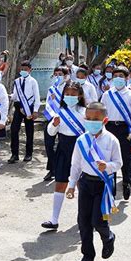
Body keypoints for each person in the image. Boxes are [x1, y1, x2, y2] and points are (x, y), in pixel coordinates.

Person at [66, 102, 122, 261]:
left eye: (95, 119)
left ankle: (108, 237)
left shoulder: (112, 140)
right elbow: (75, 165)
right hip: (85, 183)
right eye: (88, 119)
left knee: (98, 220)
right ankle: (87, 255)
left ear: (104, 120)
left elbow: (118, 163)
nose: (91, 122)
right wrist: (71, 185)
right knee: (83, 221)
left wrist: (108, 166)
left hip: (103, 184)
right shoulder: (81, 140)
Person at [42, 82, 86, 230]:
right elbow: (50, 133)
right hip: (63, 149)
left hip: (80, 151)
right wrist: (54, 124)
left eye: (73, 94)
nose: (70, 97)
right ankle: (54, 220)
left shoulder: (85, 112)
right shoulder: (60, 112)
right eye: (67, 94)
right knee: (60, 182)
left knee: (81, 184)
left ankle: (83, 217)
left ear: (80, 96)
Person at [101, 67, 131, 200]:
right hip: (110, 128)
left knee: (125, 158)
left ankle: (126, 182)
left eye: (121, 76)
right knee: (110, 158)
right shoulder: (107, 94)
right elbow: (102, 114)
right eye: (115, 75)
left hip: (124, 130)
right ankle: (111, 186)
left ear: (126, 78)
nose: (118, 78)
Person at [9, 60, 41, 163]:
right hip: (18, 107)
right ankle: (14, 154)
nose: (23, 71)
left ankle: (28, 154)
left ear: (30, 70)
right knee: (14, 130)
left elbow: (37, 97)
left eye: (25, 69)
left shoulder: (33, 81)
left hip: (29, 108)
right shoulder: (17, 81)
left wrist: (35, 110)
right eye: (22, 69)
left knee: (29, 131)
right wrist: (9, 96)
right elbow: (15, 96)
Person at [43, 67, 69, 181]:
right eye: (56, 74)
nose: (58, 76)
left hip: (65, 119)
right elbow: (48, 103)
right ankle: (52, 168)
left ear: (65, 75)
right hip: (53, 119)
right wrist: (52, 115)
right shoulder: (51, 89)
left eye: (60, 74)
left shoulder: (69, 88)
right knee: (49, 143)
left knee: (63, 144)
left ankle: (62, 169)